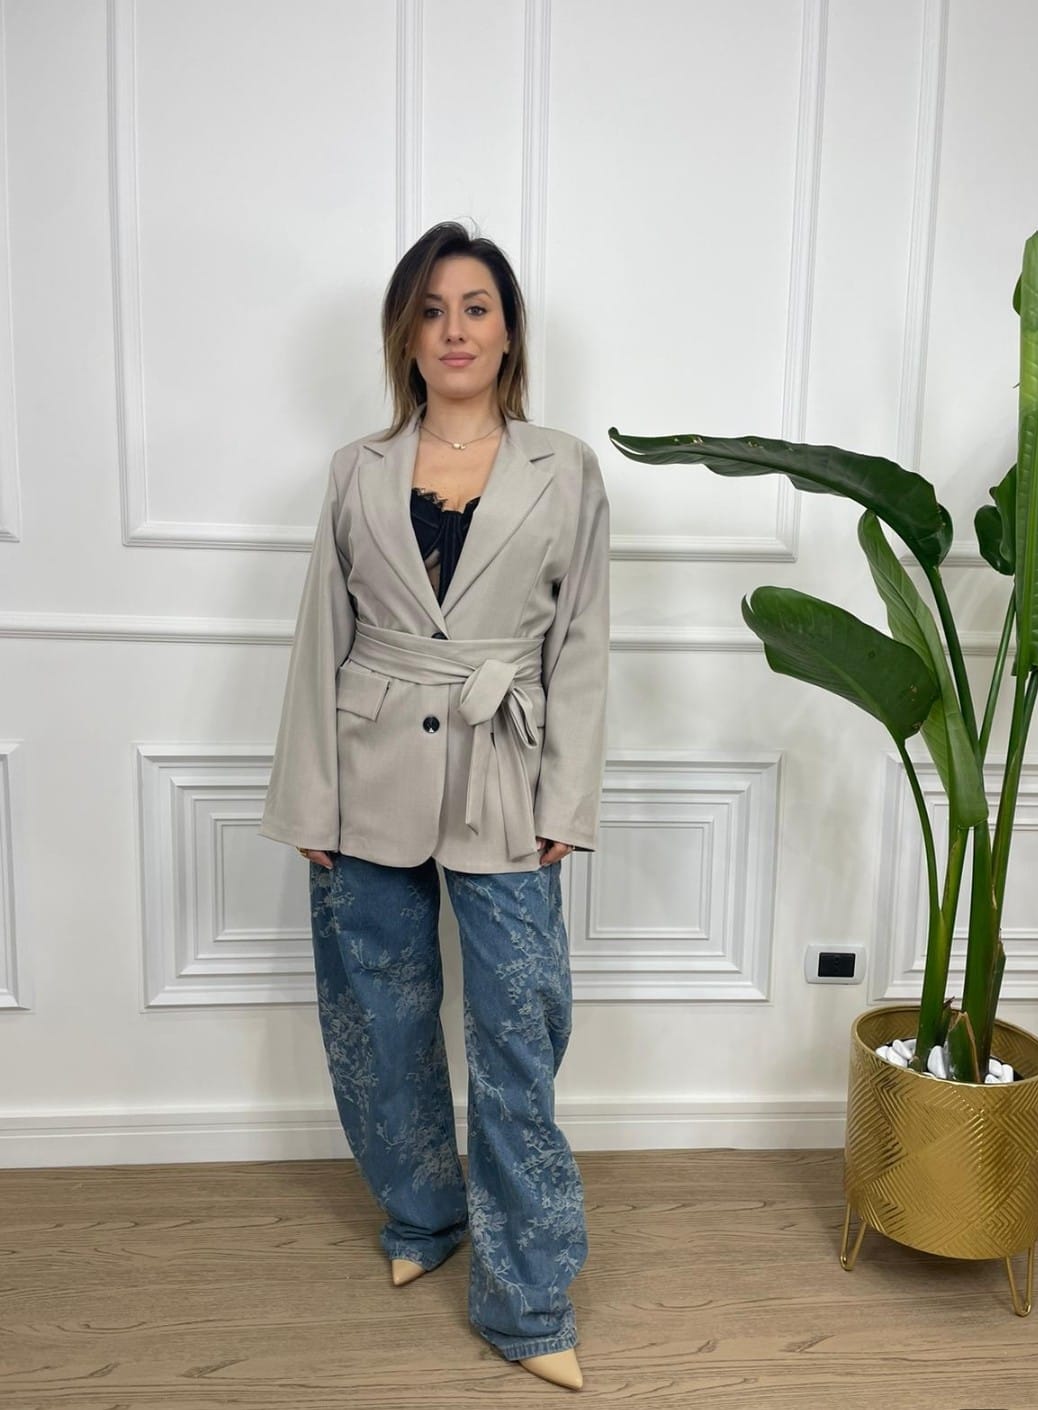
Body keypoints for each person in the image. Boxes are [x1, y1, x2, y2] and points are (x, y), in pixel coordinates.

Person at [258, 221, 611, 1391]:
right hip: (366, 774)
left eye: (475, 307)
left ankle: (528, 1300)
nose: (452, 329)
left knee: (517, 1034)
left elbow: (581, 645)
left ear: (507, 332)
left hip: (505, 771)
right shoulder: (356, 470)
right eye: (430, 309)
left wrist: (565, 796)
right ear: (404, 336)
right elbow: (320, 636)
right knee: (379, 1017)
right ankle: (423, 1214)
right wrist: (310, 800)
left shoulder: (566, 469)